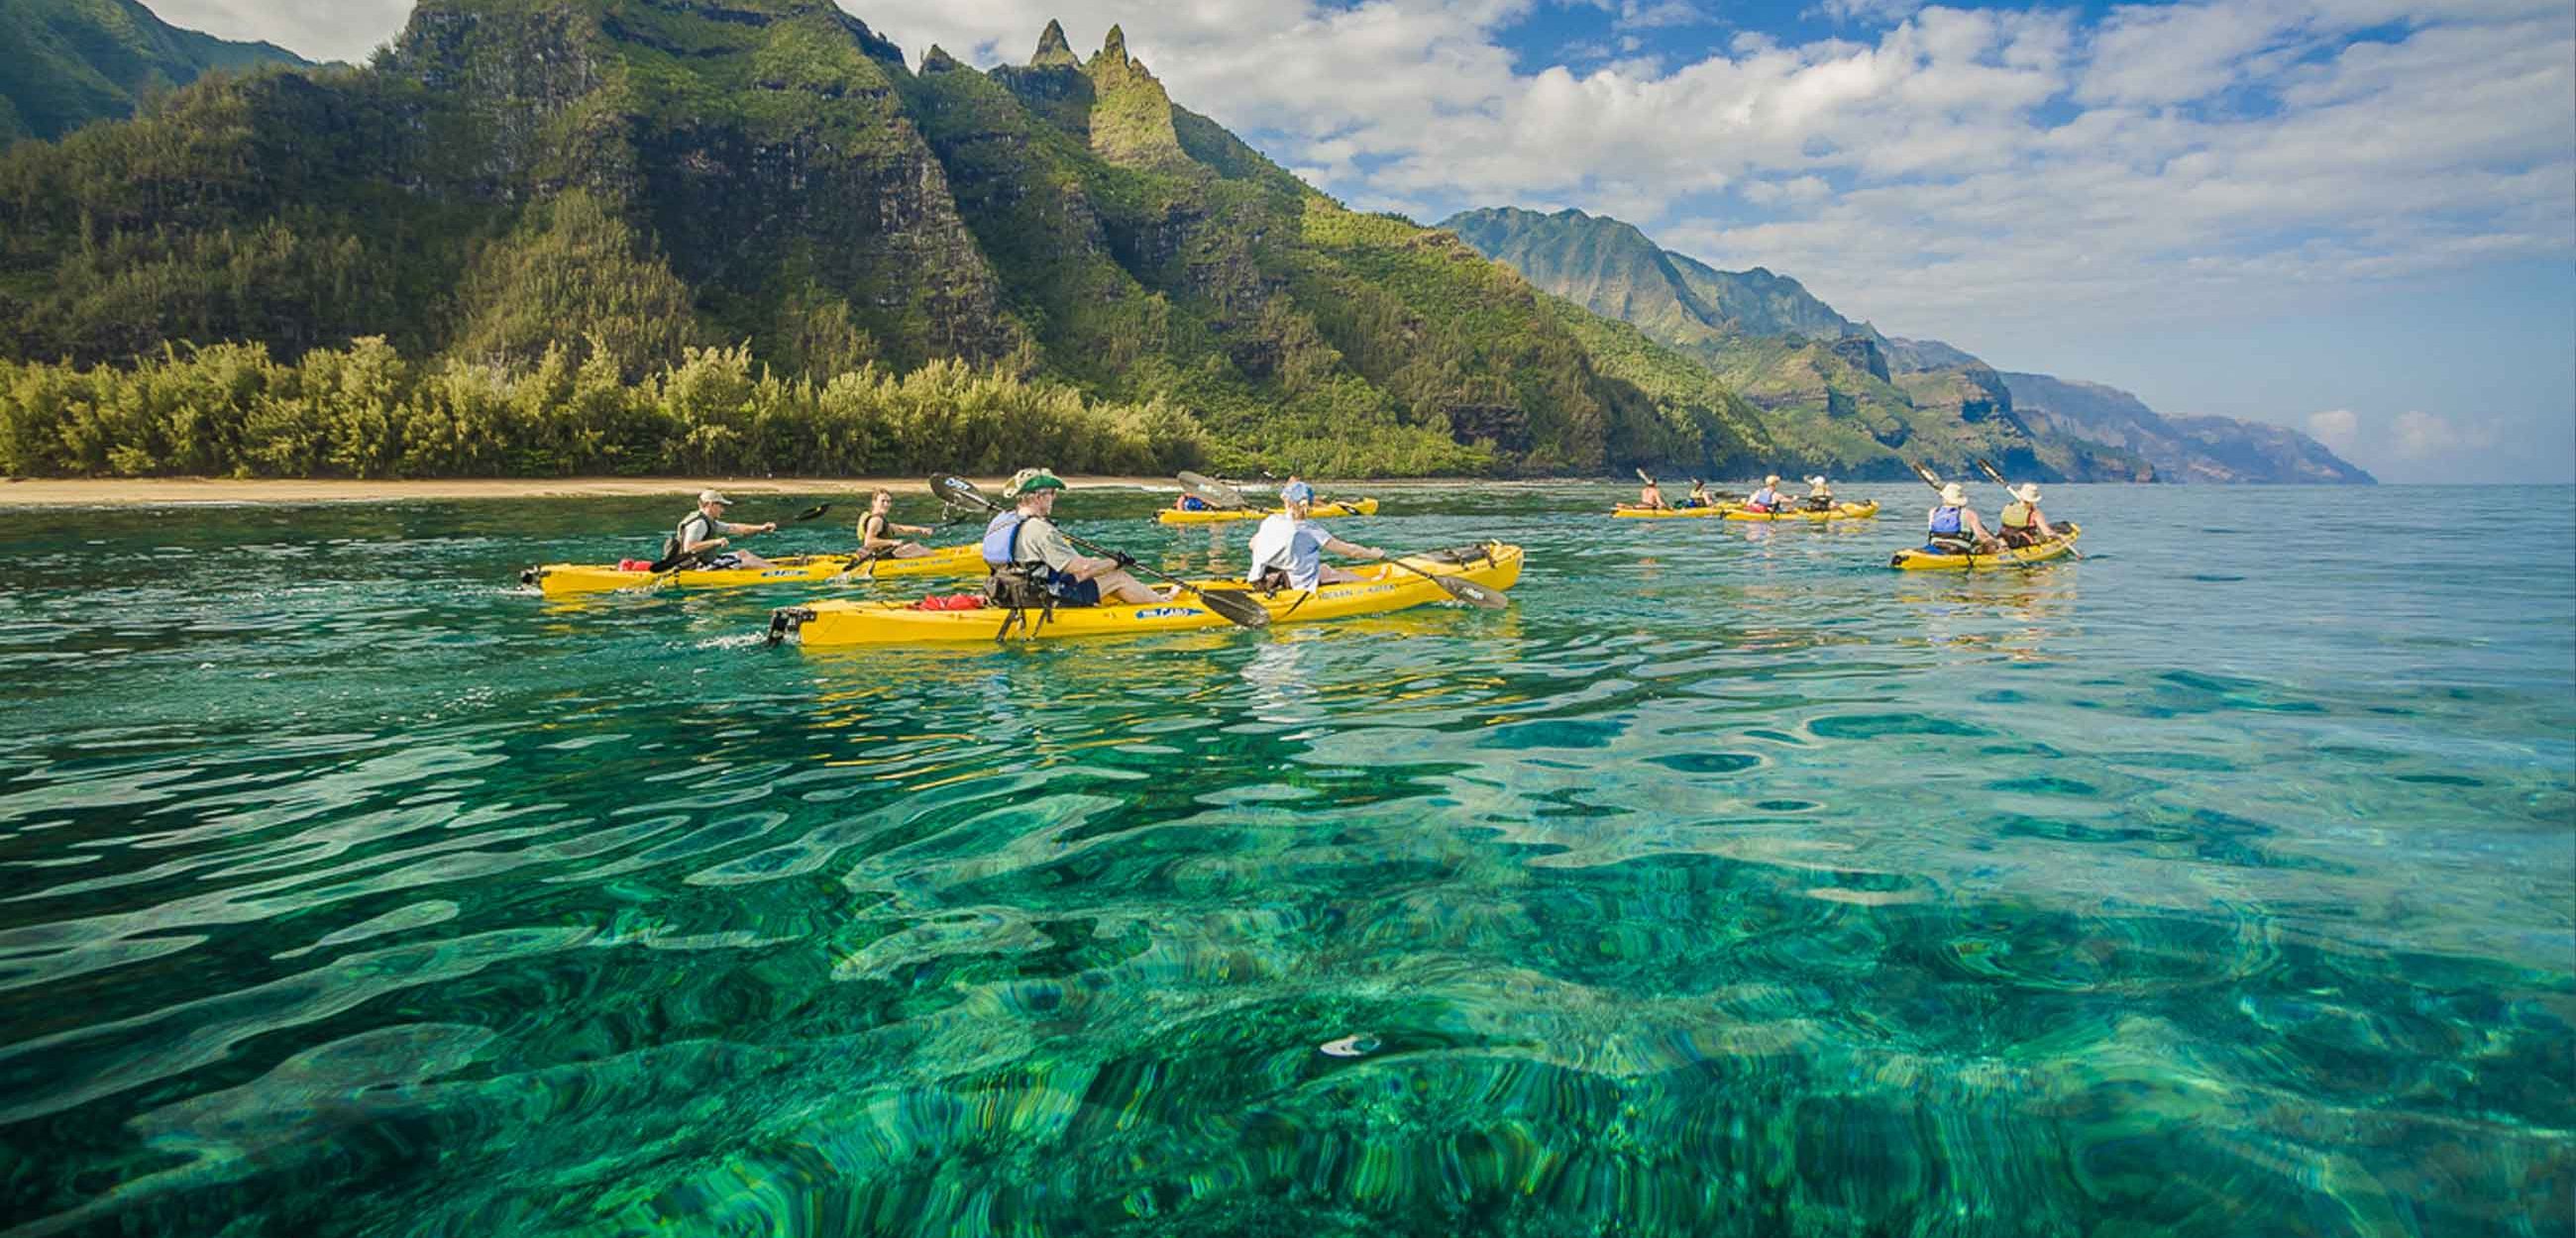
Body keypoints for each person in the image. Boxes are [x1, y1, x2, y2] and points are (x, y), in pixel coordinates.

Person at [981, 467, 1174, 605]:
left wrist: (1100, 564)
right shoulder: (1040, 530)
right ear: (1038, 498)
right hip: (1041, 598)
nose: (1054, 498)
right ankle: (1163, 604)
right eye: (1052, 493)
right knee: (1119, 577)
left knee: (1098, 567)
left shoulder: (1000, 521)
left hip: (1004, 593)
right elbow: (1084, 570)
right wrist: (1117, 561)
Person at [1247, 481, 1386, 591]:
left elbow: (1252, 544)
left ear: (1286, 501)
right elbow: (1352, 551)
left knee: (1325, 568)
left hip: (1260, 580)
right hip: (1294, 585)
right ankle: (1375, 585)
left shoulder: (1271, 520)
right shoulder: (1310, 529)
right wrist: (1375, 554)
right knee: (1344, 575)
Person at [665, 489, 775, 569]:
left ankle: (775, 569)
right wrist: (716, 541)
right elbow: (689, 547)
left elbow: (735, 528)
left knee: (743, 553)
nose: (722, 510)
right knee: (747, 561)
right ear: (711, 505)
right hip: (698, 567)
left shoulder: (708, 520)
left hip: (706, 562)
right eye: (721, 506)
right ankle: (779, 573)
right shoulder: (699, 523)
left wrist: (761, 528)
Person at [856, 489, 936, 560]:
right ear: (874, 502)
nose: (886, 504)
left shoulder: (877, 519)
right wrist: (892, 542)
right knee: (926, 551)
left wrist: (921, 529)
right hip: (881, 556)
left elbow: (900, 528)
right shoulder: (876, 520)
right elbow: (869, 542)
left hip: (880, 553)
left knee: (915, 546)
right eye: (883, 501)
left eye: (888, 501)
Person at [1926, 482, 1994, 554]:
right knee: (1987, 545)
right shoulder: (1969, 514)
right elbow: (1982, 536)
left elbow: (1931, 531)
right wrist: (1994, 541)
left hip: (1935, 545)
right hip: (1958, 548)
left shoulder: (1933, 512)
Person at [1997, 482, 2057, 548]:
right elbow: (2047, 533)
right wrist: (2058, 536)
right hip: (2020, 541)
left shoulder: (2008, 506)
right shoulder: (2035, 513)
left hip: (2003, 536)